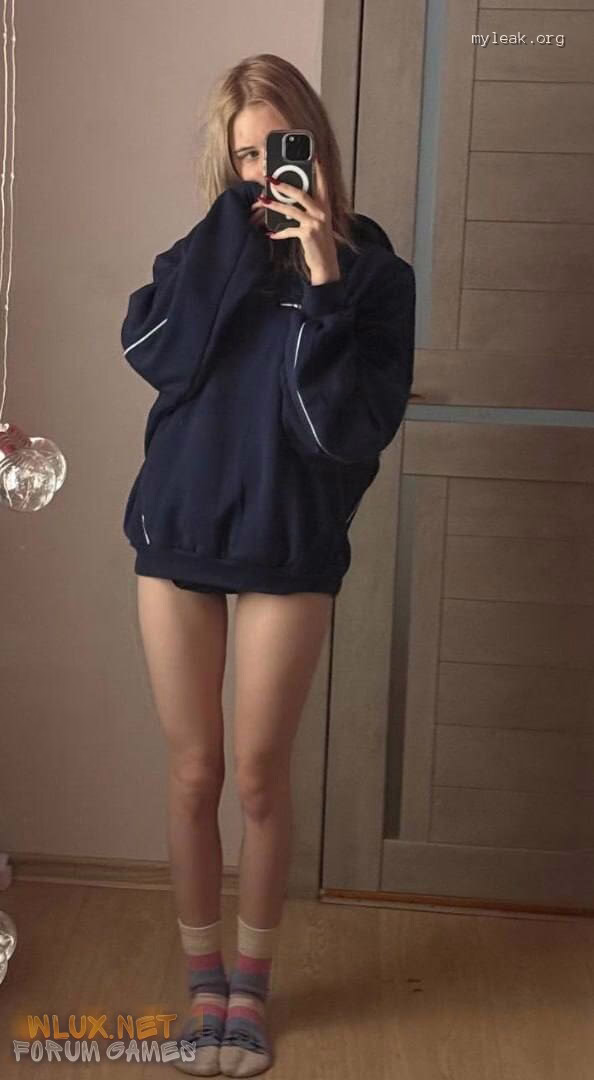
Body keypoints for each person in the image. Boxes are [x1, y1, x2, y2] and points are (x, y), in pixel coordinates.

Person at [120, 53, 415, 1078]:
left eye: (280, 148)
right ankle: (203, 984)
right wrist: (229, 242)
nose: (264, 172)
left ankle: (251, 987)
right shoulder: (205, 254)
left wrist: (324, 278)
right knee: (193, 771)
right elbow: (153, 352)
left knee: (255, 775)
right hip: (178, 529)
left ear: (317, 145)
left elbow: (344, 433)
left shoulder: (375, 276)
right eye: (244, 155)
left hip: (288, 539)